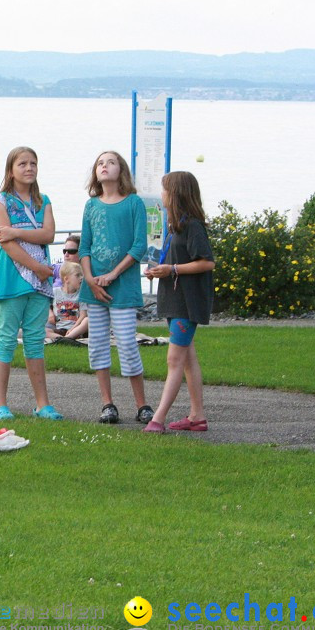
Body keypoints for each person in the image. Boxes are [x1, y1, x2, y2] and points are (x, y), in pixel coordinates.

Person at [0, 146, 63, 421]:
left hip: (39, 284)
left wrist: (18, 231)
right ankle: (0, 404)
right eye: (22, 164)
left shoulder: (43, 201)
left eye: (33, 163)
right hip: (12, 279)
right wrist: (39, 268)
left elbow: (49, 234)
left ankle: (43, 403)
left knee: (35, 340)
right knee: (6, 339)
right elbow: (5, 242)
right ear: (11, 170)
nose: (29, 168)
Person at [79, 150, 153, 424]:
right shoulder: (91, 206)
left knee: (126, 342)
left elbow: (139, 245)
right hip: (94, 289)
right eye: (100, 162)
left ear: (121, 170)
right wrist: (89, 279)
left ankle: (142, 404)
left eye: (111, 162)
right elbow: (84, 246)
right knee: (97, 344)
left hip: (122, 288)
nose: (105, 166)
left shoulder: (134, 203)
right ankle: (107, 404)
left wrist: (112, 274)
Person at [142, 171, 215, 433]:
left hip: (187, 304)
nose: (161, 195)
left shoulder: (192, 226)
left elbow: (206, 262)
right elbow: (176, 264)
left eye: (165, 190)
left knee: (174, 360)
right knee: (187, 359)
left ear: (176, 194)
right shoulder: (177, 226)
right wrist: (161, 269)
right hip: (175, 301)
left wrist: (172, 269)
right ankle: (197, 416)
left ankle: (157, 419)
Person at [47, 262, 89, 340]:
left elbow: (83, 315)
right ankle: (64, 339)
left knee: (87, 320)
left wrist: (73, 328)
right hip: (60, 329)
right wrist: (50, 313)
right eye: (77, 275)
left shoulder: (81, 294)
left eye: (82, 275)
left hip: (77, 329)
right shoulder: (55, 292)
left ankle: (66, 339)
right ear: (66, 279)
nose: (81, 278)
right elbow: (45, 303)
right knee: (41, 330)